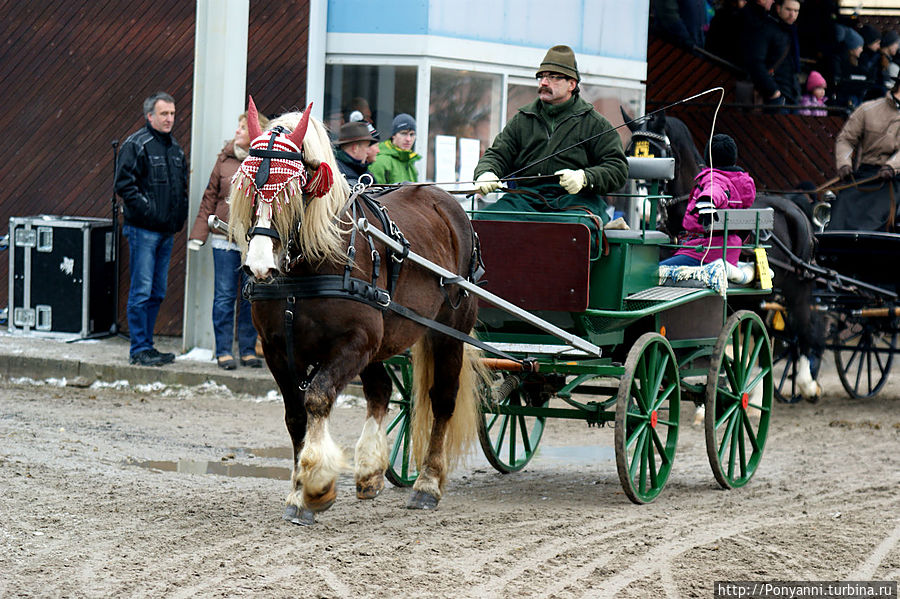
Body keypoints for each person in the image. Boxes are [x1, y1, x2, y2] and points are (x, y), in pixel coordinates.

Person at [472, 44, 628, 237]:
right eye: (542, 76)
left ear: (572, 84)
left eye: (553, 77)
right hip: (526, 200)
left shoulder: (595, 124)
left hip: (575, 202)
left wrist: (585, 177)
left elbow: (618, 169)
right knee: (483, 222)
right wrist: (486, 173)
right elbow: (497, 154)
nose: (544, 82)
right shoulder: (523, 119)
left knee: (574, 231)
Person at [187, 112, 268, 370]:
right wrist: (198, 235)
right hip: (223, 239)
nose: (238, 131)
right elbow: (209, 198)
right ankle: (223, 350)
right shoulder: (225, 159)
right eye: (238, 126)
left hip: (252, 242)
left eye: (244, 127)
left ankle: (246, 349)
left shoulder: (263, 161)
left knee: (249, 297)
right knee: (223, 296)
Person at [115, 92, 188, 367]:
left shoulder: (175, 149)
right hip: (142, 230)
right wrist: (148, 210)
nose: (170, 118)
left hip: (166, 232)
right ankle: (140, 349)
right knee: (142, 290)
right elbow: (123, 185)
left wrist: (176, 218)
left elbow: (181, 188)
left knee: (157, 291)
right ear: (150, 116)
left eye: (172, 113)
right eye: (164, 114)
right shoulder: (136, 144)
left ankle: (148, 346)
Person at [661, 134, 757, 266]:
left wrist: (707, 202)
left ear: (708, 158)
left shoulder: (714, 178)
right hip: (729, 251)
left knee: (655, 273)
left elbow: (715, 191)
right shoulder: (740, 182)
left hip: (703, 252)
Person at [831, 78, 900, 230]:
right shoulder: (867, 109)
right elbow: (846, 139)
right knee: (842, 205)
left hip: (895, 179)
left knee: (878, 214)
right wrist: (844, 164)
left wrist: (892, 166)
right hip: (865, 175)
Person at [743, 0, 802, 111]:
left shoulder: (790, 31)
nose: (792, 14)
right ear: (778, 8)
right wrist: (773, 91)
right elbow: (756, 62)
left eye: (796, 11)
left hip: (790, 95)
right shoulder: (766, 29)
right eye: (788, 9)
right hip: (775, 97)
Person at [368, 113, 420, 184]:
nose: (408, 139)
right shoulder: (380, 161)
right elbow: (374, 194)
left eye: (412, 134)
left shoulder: (409, 161)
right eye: (403, 133)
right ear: (393, 135)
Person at [333, 121, 379, 187]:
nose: (368, 152)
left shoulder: (361, 170)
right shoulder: (342, 175)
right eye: (367, 146)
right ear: (355, 148)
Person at [834, 26, 869, 110]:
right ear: (852, 48)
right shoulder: (840, 61)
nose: (861, 49)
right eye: (860, 46)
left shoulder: (859, 62)